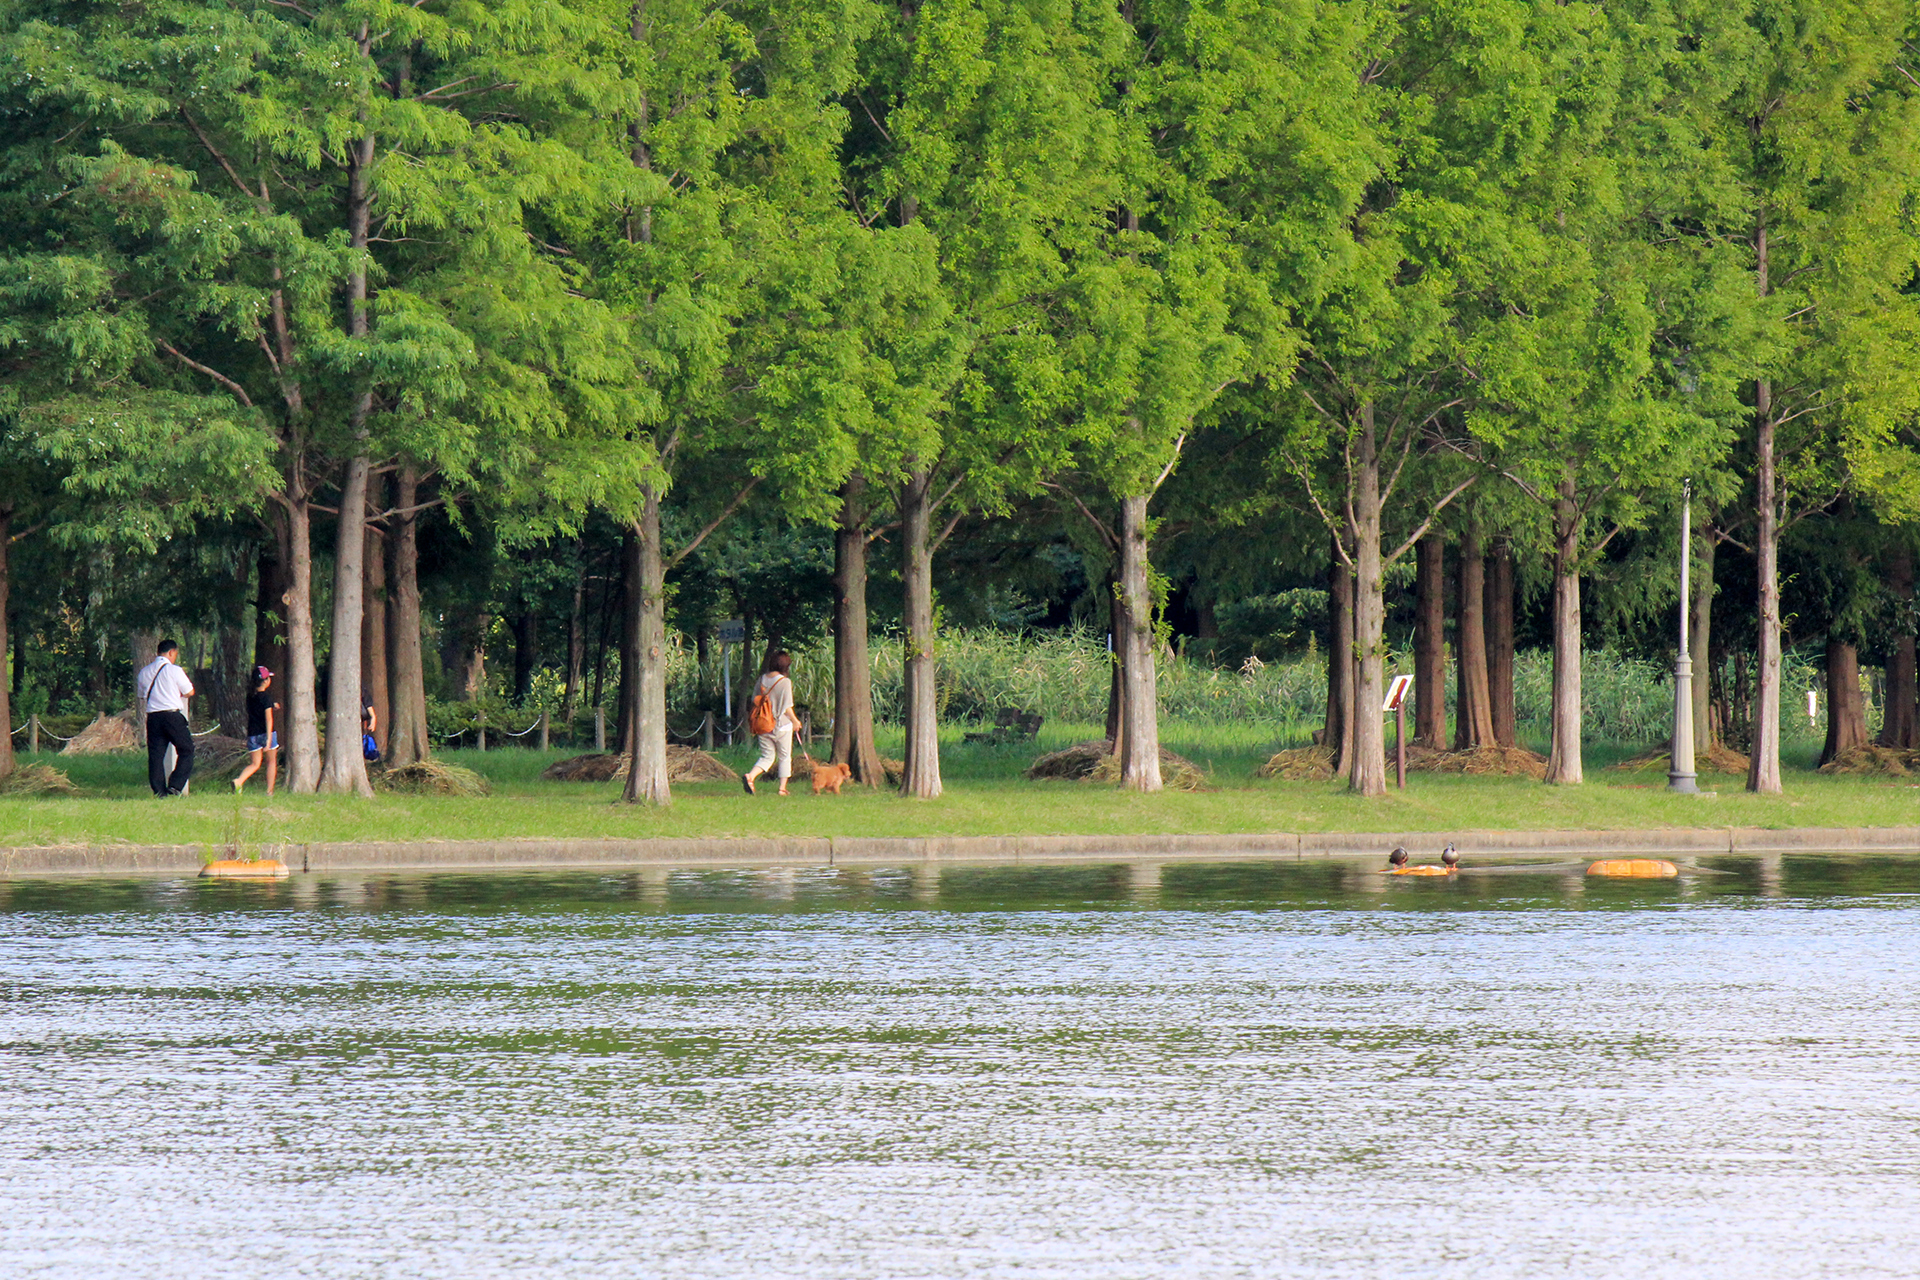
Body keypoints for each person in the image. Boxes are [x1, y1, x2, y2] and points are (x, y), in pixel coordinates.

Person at [136, 639, 195, 797]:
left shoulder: (144, 672)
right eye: (175, 654)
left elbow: (142, 696)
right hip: (171, 716)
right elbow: (189, 691)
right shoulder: (174, 670)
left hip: (153, 717)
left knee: (156, 755)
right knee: (187, 749)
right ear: (171, 652)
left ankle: (159, 791)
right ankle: (175, 785)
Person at [742, 651, 803, 797]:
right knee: (784, 756)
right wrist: (795, 721)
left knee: (767, 756)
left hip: (763, 724)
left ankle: (751, 776)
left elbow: (754, 700)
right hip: (782, 725)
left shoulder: (761, 679)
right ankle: (782, 788)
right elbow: (787, 707)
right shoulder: (785, 682)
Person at [233, 667, 280, 795]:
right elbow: (268, 719)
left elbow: (260, 707)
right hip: (266, 733)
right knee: (271, 762)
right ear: (265, 681)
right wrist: (269, 739)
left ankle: (239, 781)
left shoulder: (250, 696)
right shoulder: (266, 698)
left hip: (253, 734)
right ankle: (269, 791)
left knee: (255, 763)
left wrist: (272, 705)